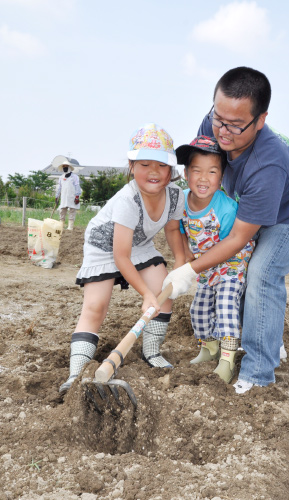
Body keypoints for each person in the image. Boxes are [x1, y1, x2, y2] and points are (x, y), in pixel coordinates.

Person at [163, 67, 289, 394]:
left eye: (235, 125)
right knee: (233, 267)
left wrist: (189, 268)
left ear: (261, 120)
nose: (223, 132)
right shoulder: (214, 125)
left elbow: (238, 238)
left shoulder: (266, 165)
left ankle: (259, 374)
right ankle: (267, 339)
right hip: (251, 202)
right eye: (219, 118)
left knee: (261, 272)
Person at [59, 123, 185, 394]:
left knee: (165, 290)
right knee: (96, 307)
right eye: (144, 164)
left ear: (171, 169)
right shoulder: (128, 200)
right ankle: (76, 373)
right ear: (131, 165)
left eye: (162, 166)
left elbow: (173, 230)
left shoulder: (176, 196)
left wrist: (181, 264)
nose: (154, 172)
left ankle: (151, 352)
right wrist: (145, 294)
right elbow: (120, 256)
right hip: (104, 246)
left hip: (139, 244)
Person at [175, 135, 254, 383]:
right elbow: (177, 230)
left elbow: (231, 245)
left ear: (221, 177)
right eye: (196, 170)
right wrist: (185, 256)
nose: (203, 178)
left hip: (230, 262)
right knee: (198, 310)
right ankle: (210, 349)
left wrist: (198, 263)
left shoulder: (227, 209)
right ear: (186, 174)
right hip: (206, 263)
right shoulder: (181, 202)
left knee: (225, 306)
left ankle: (228, 359)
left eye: (212, 171)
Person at [53, 156, 82, 231]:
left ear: (69, 167)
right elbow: (59, 188)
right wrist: (57, 197)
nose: (65, 168)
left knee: (72, 211)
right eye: (64, 167)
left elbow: (77, 187)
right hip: (63, 197)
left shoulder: (74, 177)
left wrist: (77, 197)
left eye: (66, 166)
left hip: (72, 197)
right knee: (62, 211)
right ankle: (61, 226)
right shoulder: (61, 177)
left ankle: (70, 227)